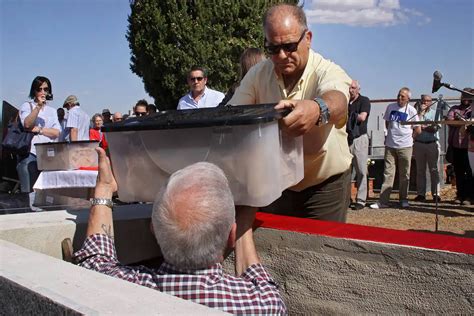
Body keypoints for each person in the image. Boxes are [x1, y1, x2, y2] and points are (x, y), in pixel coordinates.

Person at [73, 150, 287, 315]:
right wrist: (244, 222)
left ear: (153, 231)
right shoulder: (263, 306)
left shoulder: (120, 287)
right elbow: (262, 284)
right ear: (231, 237)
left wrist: (103, 188)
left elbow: (94, 260)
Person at [228, 4, 352, 222]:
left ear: (308, 38)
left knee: (321, 252)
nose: (282, 55)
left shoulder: (327, 70)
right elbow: (234, 114)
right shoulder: (259, 74)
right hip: (275, 183)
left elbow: (338, 101)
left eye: (289, 46)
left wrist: (317, 108)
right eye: (273, 49)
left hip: (324, 187)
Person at [370, 87, 421, 209]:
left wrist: (410, 139)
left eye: (402, 96)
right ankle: (383, 201)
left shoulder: (412, 110)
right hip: (390, 145)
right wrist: (388, 135)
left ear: (408, 98)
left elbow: (418, 129)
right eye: (398, 95)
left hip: (406, 146)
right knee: (388, 173)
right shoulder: (390, 107)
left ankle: (403, 199)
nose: (399, 98)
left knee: (404, 174)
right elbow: (387, 123)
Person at [18, 76, 60, 192]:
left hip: (48, 156)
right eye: (39, 89)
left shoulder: (52, 111)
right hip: (30, 154)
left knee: (46, 193)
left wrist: (39, 129)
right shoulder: (27, 106)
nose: (42, 92)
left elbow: (56, 132)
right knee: (29, 192)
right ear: (34, 91)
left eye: (45, 89)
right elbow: (27, 124)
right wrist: (38, 107)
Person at [347, 80, 371, 210]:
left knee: (361, 170)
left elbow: (362, 117)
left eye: (353, 88)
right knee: (345, 172)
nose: (351, 90)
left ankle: (361, 200)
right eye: (349, 87)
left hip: (359, 139)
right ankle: (346, 199)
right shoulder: (345, 101)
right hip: (346, 138)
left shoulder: (364, 101)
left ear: (358, 89)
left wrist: (348, 116)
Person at [413, 94, 442, 202]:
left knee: (434, 169)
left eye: (427, 101)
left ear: (431, 102)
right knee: (420, 170)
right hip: (419, 143)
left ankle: (436, 194)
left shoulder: (435, 113)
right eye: (423, 101)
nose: (425, 103)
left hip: (432, 143)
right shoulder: (416, 114)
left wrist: (422, 127)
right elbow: (415, 126)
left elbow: (434, 128)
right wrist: (420, 114)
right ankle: (421, 194)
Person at [446, 88, 473, 206]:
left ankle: (470, 196)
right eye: (464, 96)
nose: (466, 99)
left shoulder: (472, 110)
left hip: (470, 147)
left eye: (469, 96)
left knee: (470, 172)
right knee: (459, 172)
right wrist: (461, 121)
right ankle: (460, 194)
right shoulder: (454, 109)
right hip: (456, 145)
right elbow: (449, 120)